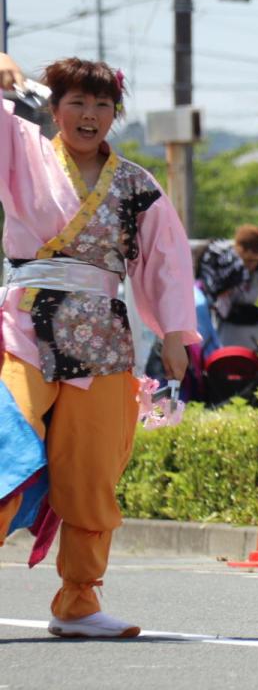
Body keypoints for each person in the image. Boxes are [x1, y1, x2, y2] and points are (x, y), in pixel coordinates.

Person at [0, 53, 197, 638]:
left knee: (91, 474)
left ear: (115, 113)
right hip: (25, 326)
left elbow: (166, 259)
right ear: (53, 109)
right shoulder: (23, 151)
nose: (90, 115)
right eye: (77, 103)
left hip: (105, 338)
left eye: (102, 104)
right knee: (8, 440)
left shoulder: (137, 183)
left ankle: (79, 600)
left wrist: (176, 334)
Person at [204, 225, 258, 352]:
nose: (250, 265)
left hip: (256, 348)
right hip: (226, 347)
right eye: (246, 260)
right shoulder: (224, 278)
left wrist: (253, 313)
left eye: (254, 260)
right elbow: (217, 306)